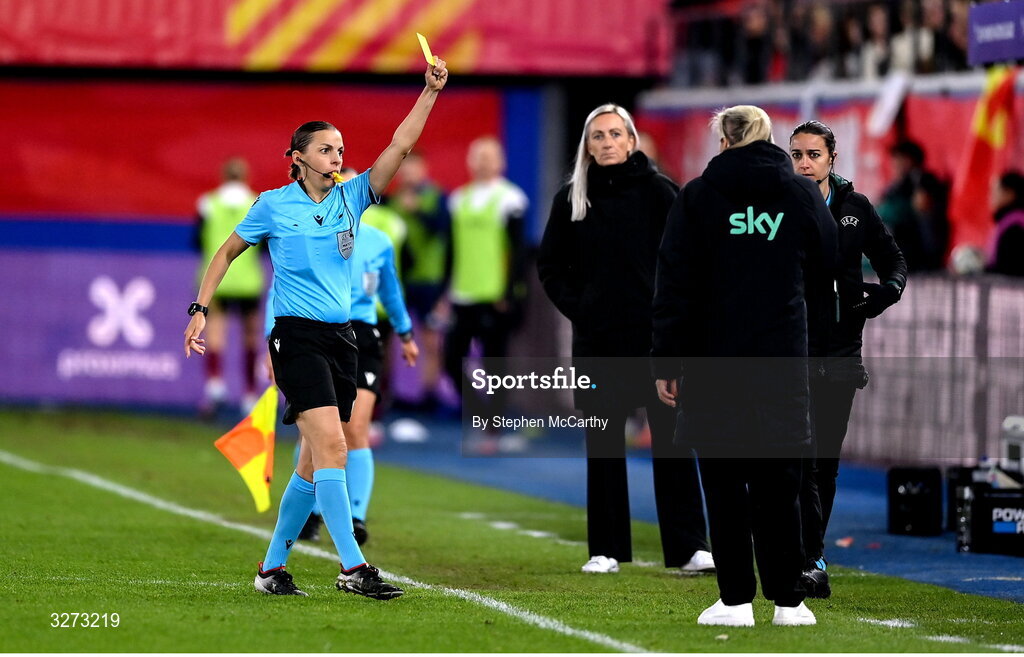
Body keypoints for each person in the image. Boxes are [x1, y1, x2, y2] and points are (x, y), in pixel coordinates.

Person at [183, 58, 448, 599]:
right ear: (298, 157)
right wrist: (199, 308)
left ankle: (270, 569)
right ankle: (353, 568)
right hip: (295, 338)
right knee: (334, 447)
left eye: (341, 150)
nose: (338, 157)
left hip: (343, 339)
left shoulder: (355, 198)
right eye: (327, 149)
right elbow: (226, 252)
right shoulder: (273, 206)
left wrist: (429, 92)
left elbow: (398, 146)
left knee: (310, 463)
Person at [652, 105, 837, 627]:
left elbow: (673, 285)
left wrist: (665, 359)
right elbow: (828, 255)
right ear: (769, 137)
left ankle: (734, 601)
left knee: (725, 485)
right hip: (780, 359)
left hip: (714, 364)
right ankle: (788, 602)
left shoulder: (697, 197)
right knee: (781, 487)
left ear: (723, 140)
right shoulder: (800, 193)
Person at [537, 104, 714, 577]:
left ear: (632, 141)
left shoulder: (662, 193)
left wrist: (674, 322)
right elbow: (550, 267)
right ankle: (606, 548)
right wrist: (583, 307)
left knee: (673, 445)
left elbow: (689, 262)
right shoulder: (571, 198)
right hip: (597, 346)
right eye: (598, 136)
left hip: (658, 347)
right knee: (604, 446)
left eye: (616, 134)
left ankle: (689, 548)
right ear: (587, 146)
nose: (608, 142)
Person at [789, 120, 907, 598]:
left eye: (812, 154)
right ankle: (797, 550)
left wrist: (881, 296)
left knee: (823, 464)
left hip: (839, 353)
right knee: (790, 459)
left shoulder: (857, 209)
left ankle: (812, 557)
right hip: (789, 351)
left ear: (832, 158)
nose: (803, 163)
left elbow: (892, 261)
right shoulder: (778, 208)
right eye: (795, 154)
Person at [281, 167, 420, 545]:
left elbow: (390, 293)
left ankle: (355, 517)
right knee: (316, 432)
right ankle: (309, 512)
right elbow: (286, 285)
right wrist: (269, 338)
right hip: (315, 333)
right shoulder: (308, 235)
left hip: (362, 335)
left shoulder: (378, 242)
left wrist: (405, 333)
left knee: (355, 427)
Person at [442, 136, 528, 420]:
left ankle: (496, 421)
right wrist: (445, 292)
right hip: (462, 293)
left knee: (494, 363)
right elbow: (451, 251)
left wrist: (510, 293)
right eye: (478, 156)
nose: (484, 162)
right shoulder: (458, 200)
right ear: (470, 161)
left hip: (494, 294)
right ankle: (478, 411)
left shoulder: (511, 199)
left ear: (501, 162)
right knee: (451, 360)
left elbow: (517, 252)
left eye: (490, 157)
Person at [194, 157, 263, 415]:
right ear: (246, 176)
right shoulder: (256, 202)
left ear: (223, 175)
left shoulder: (207, 204)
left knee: (215, 330)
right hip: (248, 280)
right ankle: (248, 394)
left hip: (217, 280)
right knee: (250, 335)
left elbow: (198, 240)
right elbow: (266, 243)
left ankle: (215, 383)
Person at [385, 151, 449, 411]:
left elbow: (442, 231)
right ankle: (386, 393)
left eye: (414, 169)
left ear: (424, 170)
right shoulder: (390, 202)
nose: (409, 174)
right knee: (389, 336)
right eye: (405, 169)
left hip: (429, 280)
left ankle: (428, 394)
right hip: (398, 279)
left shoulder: (437, 198)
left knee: (431, 339)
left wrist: (419, 210)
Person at [986, 170, 1024, 277]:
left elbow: (1010, 267)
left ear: (1010, 194)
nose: (990, 197)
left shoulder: (1015, 225)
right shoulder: (1005, 221)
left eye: (995, 192)